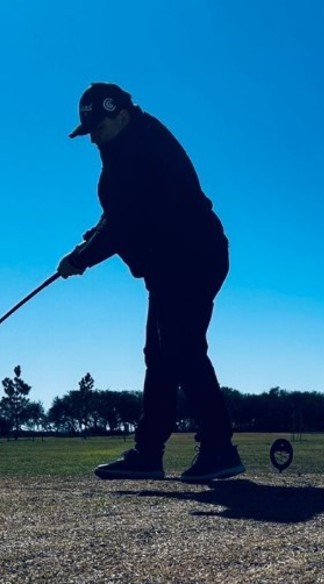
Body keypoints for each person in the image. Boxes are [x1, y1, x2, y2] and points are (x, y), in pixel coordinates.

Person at [58, 82, 242, 483]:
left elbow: (123, 222)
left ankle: (219, 448)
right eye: (88, 132)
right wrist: (88, 242)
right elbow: (120, 216)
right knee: (160, 356)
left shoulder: (137, 151)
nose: (93, 140)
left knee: (182, 349)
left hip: (191, 256)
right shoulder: (128, 147)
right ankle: (149, 453)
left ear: (120, 115)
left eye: (98, 129)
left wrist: (81, 258)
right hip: (173, 263)